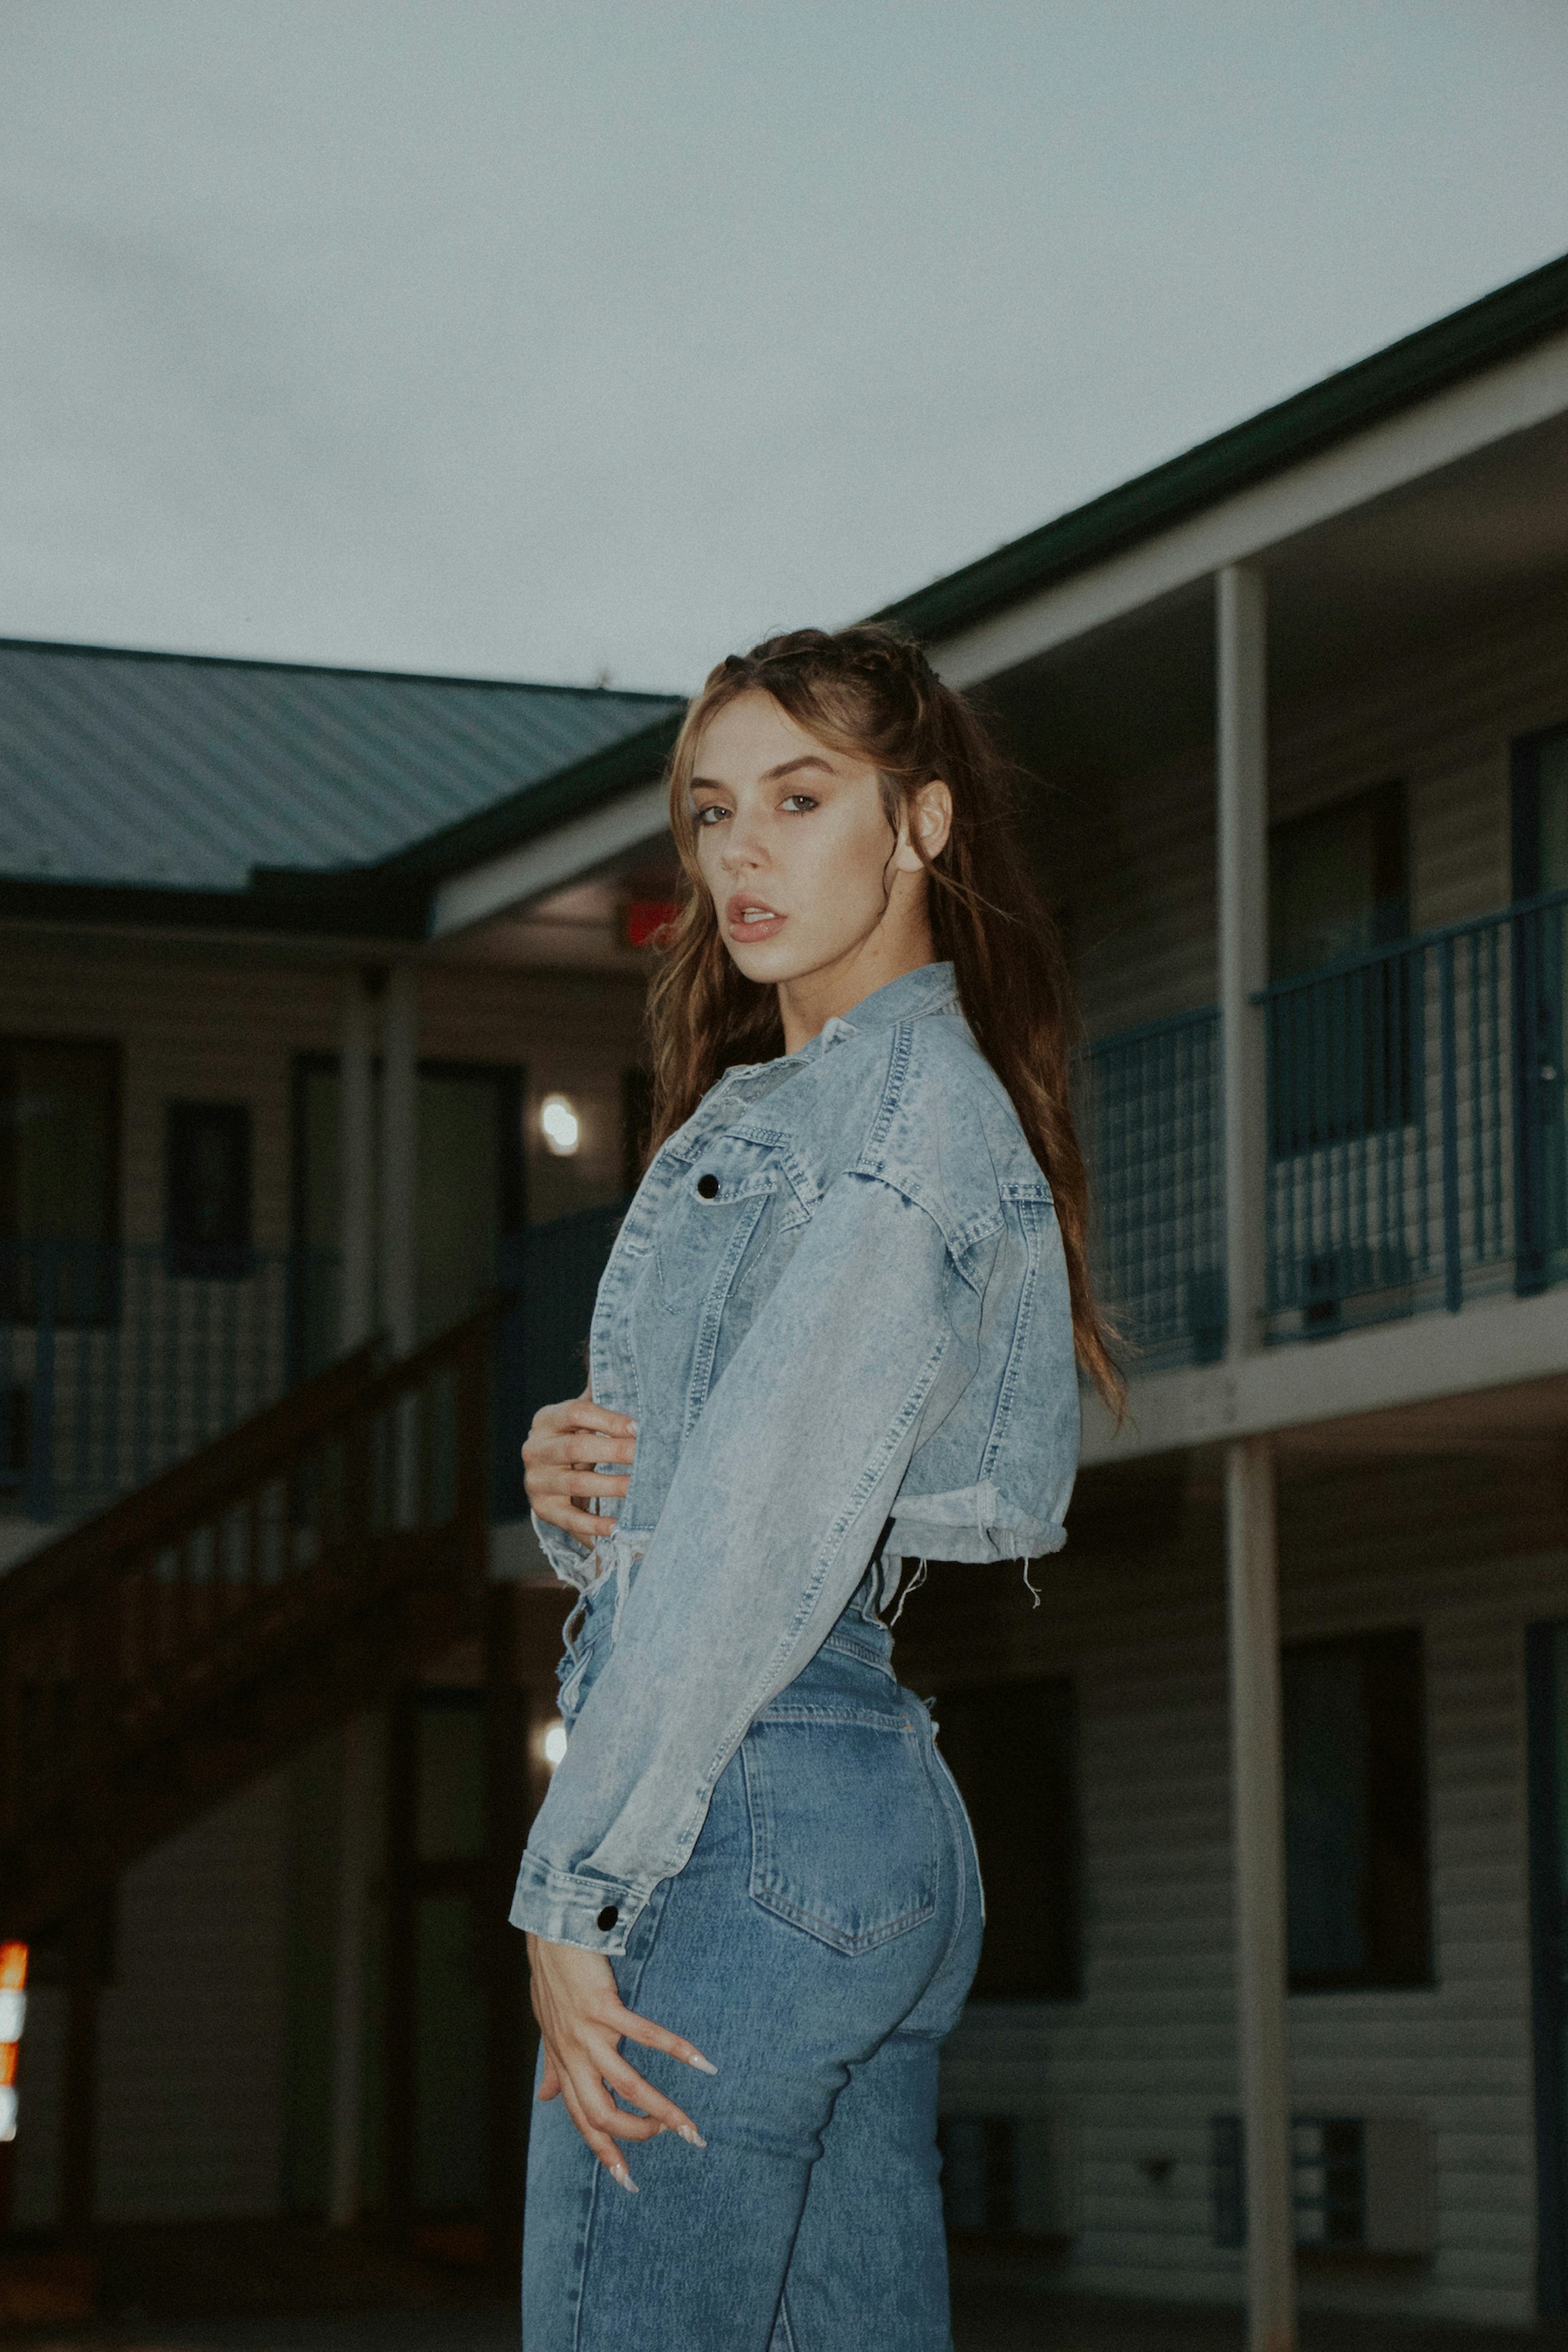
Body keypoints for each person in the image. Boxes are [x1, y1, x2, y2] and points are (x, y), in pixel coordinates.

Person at [513, 625, 1122, 2351]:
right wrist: (579, 1481)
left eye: (801, 797)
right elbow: (750, 1493)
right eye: (713, 813)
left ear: (918, 823)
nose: (744, 854)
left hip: (743, 1820)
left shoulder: (893, 1122)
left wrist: (576, 1888)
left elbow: (763, 1534)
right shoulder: (823, 1102)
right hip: (846, 1812)